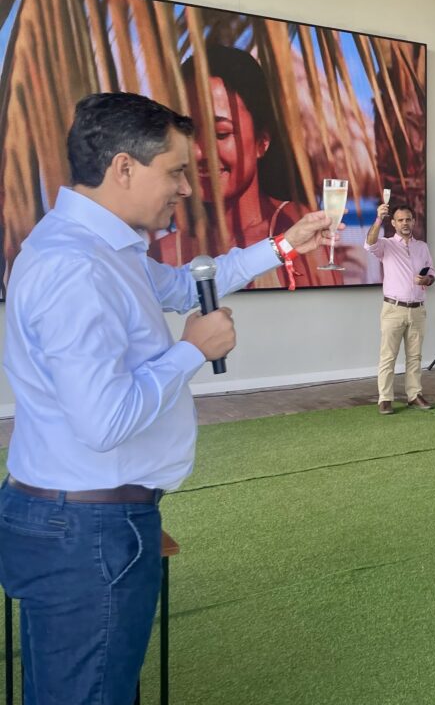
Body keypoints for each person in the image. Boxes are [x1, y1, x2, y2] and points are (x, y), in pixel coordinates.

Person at [0, 92, 333, 704]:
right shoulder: (76, 267)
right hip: (87, 531)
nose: (186, 186)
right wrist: (191, 351)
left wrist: (284, 246)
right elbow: (105, 421)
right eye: (176, 170)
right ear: (124, 168)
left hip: (88, 520)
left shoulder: (106, 249)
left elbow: (183, 285)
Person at [154, 44, 342, 288]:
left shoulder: (297, 230)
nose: (199, 152)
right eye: (188, 134)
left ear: (262, 141)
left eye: (221, 134)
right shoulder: (163, 254)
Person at [365, 201, 435, 415]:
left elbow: (432, 274)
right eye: (400, 220)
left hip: (417, 309)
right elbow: (369, 243)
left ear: (413, 221)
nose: (405, 223)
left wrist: (426, 280)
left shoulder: (422, 246)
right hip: (393, 309)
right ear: (394, 223)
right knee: (388, 356)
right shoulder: (385, 244)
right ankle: (385, 398)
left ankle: (414, 395)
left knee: (415, 356)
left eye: (408, 219)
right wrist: (378, 219)